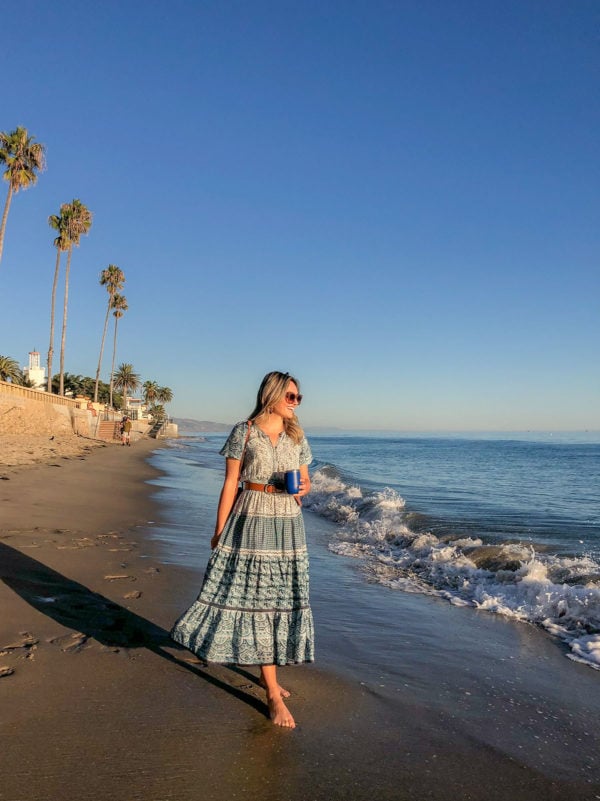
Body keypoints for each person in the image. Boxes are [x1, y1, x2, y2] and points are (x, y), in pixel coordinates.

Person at [171, 371, 313, 728]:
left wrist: (303, 487)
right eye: (292, 397)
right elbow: (231, 482)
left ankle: (272, 679)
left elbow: (306, 478)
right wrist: (219, 530)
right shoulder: (244, 432)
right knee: (261, 600)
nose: (297, 403)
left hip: (287, 522)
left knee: (280, 598)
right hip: (251, 518)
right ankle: (271, 693)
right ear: (274, 396)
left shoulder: (297, 435)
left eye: (299, 398)